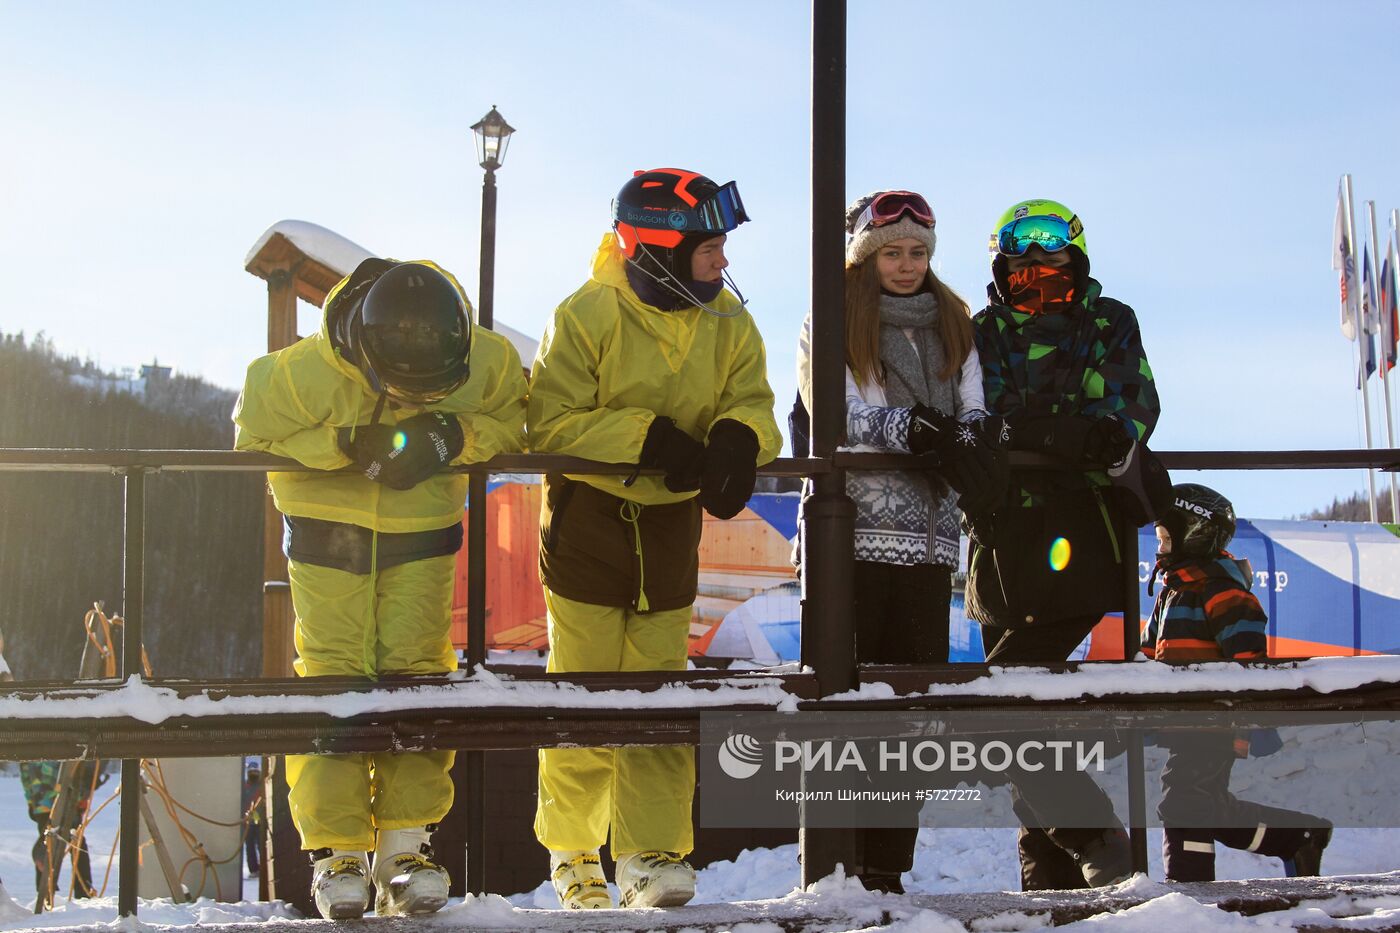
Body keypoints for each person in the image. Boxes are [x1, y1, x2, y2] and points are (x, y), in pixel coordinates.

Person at [234, 259, 527, 919]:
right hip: (325, 531)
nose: (416, 403)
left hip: (423, 529)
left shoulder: (484, 360)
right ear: (365, 358)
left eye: (433, 395)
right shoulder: (301, 373)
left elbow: (519, 419)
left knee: (417, 675)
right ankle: (337, 853)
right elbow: (252, 432)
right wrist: (343, 444)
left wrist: (452, 434)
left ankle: (405, 848)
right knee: (334, 678)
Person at [528, 167, 780, 909]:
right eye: (710, 250)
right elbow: (551, 421)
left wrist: (740, 437)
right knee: (583, 694)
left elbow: (753, 402)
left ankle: (649, 852)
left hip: (670, 531)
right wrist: (647, 439)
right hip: (588, 529)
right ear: (660, 251)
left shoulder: (728, 323)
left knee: (661, 696)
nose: (723, 263)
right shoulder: (584, 315)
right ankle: (575, 852)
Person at [795, 189, 1004, 893]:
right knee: (845, 701)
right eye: (894, 252)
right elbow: (844, 412)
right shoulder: (833, 318)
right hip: (851, 538)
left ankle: (886, 869)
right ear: (865, 255)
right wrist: (912, 430)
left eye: (918, 251)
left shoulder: (954, 321)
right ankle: (836, 864)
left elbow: (974, 402)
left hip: (928, 544)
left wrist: (968, 438)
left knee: (908, 711)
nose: (908, 265)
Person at [966, 198, 1160, 890]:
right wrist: (1057, 432)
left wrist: (1058, 432)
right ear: (1002, 264)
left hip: (1081, 528)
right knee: (1020, 709)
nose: (1036, 266)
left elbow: (1128, 410)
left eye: (1050, 253)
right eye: (1021, 257)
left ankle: (1093, 839)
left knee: (1001, 702)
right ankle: (1052, 876)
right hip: (998, 536)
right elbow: (980, 418)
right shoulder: (980, 330)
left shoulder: (1109, 322)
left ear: (1075, 254)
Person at [1145, 483, 1332, 882]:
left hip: (1215, 720)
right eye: (1158, 538)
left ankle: (1190, 889)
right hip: (1184, 721)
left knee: (1184, 801)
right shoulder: (1172, 592)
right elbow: (1150, 658)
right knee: (1203, 804)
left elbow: (1249, 664)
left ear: (1195, 535)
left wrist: (1248, 718)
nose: (1159, 547)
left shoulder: (1222, 592)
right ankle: (1296, 838)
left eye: (1166, 537)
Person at [21, 759, 97, 903]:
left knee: (49, 841)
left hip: (41, 802)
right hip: (63, 801)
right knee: (76, 842)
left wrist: (31, 800)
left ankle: (45, 893)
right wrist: (80, 797)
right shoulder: (61, 742)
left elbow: (25, 772)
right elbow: (72, 771)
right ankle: (82, 891)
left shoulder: (31, 747)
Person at [242, 764, 266, 878]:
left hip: (260, 822)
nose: (254, 774)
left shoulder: (262, 786)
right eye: (252, 772)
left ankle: (264, 868)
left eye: (256, 772)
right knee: (250, 846)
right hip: (248, 823)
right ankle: (254, 870)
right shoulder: (244, 787)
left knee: (261, 845)